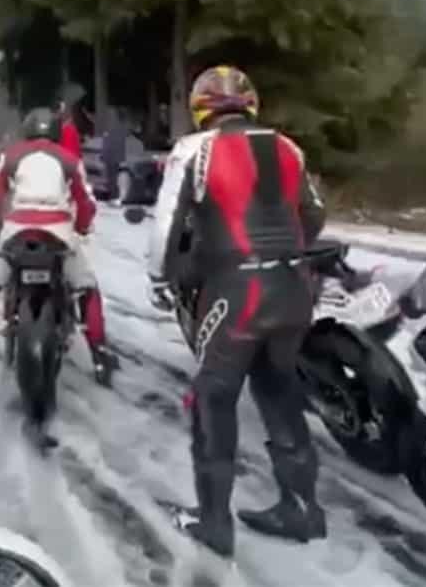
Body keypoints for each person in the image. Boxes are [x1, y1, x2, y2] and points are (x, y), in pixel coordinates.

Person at [147, 65, 327, 558]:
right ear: (251, 102)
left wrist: (159, 278)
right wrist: (287, 253)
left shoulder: (194, 149)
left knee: (214, 397)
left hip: (236, 289)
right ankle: (302, 510)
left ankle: (213, 524)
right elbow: (314, 214)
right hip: (293, 287)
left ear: (201, 107)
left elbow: (166, 224)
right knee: (279, 391)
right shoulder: (287, 147)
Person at [0, 107, 118, 387]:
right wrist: (82, 227)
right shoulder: (70, 159)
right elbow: (86, 202)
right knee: (86, 288)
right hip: (59, 234)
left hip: (17, 232)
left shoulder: (11, 156)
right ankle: (100, 358)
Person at [102, 107, 129, 201]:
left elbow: (108, 144)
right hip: (114, 157)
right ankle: (114, 195)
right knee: (113, 178)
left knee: (112, 178)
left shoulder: (115, 129)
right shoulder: (119, 129)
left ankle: (114, 196)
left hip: (113, 157)